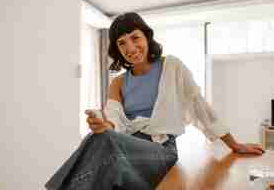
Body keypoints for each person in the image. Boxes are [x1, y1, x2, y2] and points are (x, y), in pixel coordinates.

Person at [45, 12, 264, 190]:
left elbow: (200, 107)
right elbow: (113, 120)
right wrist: (105, 125)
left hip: (161, 150)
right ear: (118, 49)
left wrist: (234, 145)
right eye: (122, 43)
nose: (130, 48)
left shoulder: (172, 66)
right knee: (99, 138)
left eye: (135, 38)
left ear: (147, 36)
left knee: (105, 142)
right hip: (126, 148)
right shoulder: (118, 83)